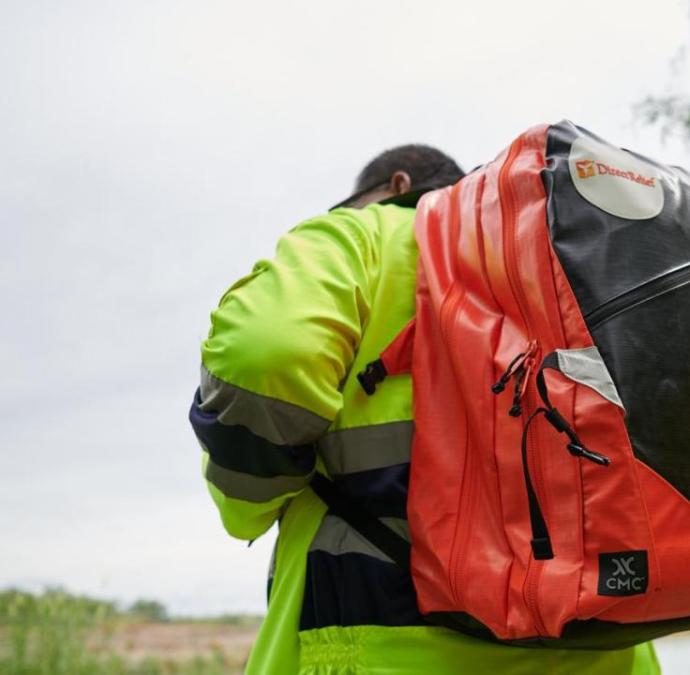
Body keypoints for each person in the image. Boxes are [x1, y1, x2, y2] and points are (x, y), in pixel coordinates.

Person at [189, 144, 660, 674]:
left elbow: (266, 350)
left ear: (396, 186)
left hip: (385, 645)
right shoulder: (563, 263)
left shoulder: (367, 234)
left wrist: (247, 502)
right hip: (606, 647)